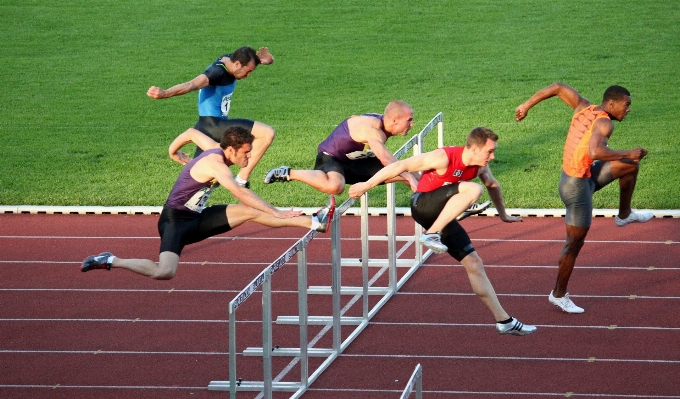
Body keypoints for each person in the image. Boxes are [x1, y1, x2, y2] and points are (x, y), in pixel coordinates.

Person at [81, 126, 335, 280]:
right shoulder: (216, 164)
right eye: (246, 152)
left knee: (249, 212)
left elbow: (191, 133)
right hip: (175, 222)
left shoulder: (216, 148)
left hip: (198, 218)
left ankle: (315, 221)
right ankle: (110, 260)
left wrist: (172, 150)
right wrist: (277, 212)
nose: (249, 156)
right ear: (232, 150)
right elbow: (240, 191)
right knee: (164, 272)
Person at [349, 127, 535, 336]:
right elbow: (400, 165)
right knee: (474, 189)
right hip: (422, 204)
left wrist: (503, 215)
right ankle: (432, 233)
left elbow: (493, 185)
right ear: (473, 149)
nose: (492, 157)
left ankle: (504, 321)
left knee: (474, 262)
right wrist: (366, 185)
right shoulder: (443, 157)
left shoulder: (479, 168)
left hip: (440, 217)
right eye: (489, 152)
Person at [515, 82, 653, 313]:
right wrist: (628, 151)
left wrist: (526, 105)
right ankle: (558, 294)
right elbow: (595, 152)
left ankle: (624, 214)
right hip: (576, 189)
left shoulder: (583, 107)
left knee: (630, 166)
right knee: (573, 244)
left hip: (583, 177)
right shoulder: (605, 122)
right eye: (626, 105)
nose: (628, 109)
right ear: (611, 103)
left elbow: (558, 87)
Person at [147, 46, 276, 188]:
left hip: (208, 126)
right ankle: (241, 179)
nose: (248, 75)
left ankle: (184, 206)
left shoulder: (232, 60)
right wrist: (165, 93)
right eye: (248, 71)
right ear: (238, 64)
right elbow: (191, 84)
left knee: (203, 181)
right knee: (266, 133)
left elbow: (254, 60)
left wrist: (268, 60)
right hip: (213, 125)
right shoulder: (217, 72)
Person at [263, 100, 420, 194]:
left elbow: (354, 117)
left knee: (414, 173)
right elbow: (386, 159)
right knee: (336, 186)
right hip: (331, 158)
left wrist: (410, 177)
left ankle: (429, 207)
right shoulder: (374, 129)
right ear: (394, 120)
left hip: (354, 163)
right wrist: (408, 178)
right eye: (409, 120)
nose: (412, 124)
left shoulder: (383, 122)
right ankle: (287, 172)